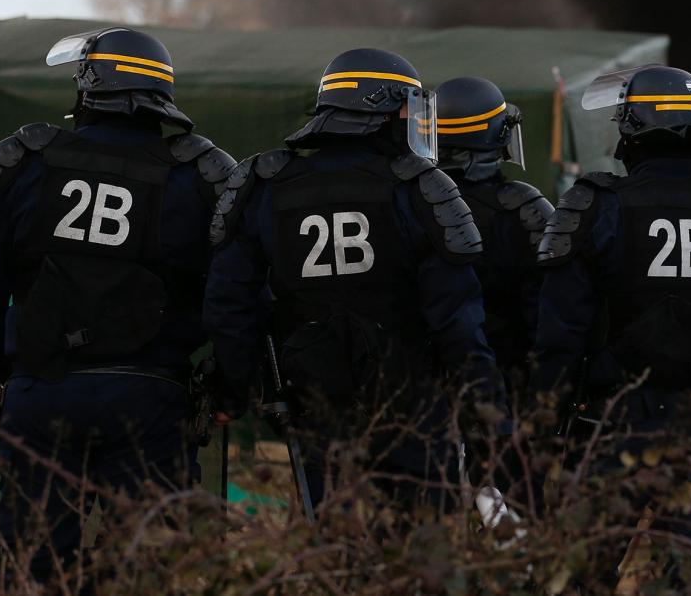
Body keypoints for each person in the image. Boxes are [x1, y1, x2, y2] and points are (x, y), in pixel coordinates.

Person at [0, 27, 233, 582]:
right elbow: (230, 295)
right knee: (143, 568)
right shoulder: (195, 176)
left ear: (88, 88)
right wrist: (223, 381)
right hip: (150, 397)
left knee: (31, 568)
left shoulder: (28, 160)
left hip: (40, 391)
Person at [204, 49, 504, 517]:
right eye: (408, 108)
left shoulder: (264, 182)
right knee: (421, 553)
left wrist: (233, 390)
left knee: (335, 548)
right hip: (412, 408)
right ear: (384, 109)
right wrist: (488, 413)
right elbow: (458, 322)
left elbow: (230, 303)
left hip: (312, 402)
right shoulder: (421, 186)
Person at [533, 64, 691, 586]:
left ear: (631, 129)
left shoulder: (594, 207)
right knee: (687, 569)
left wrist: (547, 420)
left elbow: (560, 332)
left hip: (610, 418)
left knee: (587, 568)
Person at [434, 77, 552, 389]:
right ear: (499, 134)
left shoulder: (409, 202)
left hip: (424, 387)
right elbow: (547, 313)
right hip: (505, 380)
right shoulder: (523, 209)